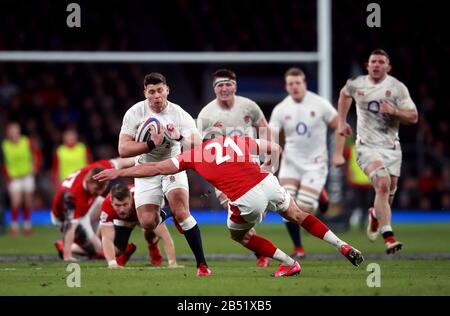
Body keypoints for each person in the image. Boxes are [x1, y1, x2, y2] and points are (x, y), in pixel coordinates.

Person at [94, 133, 364, 277]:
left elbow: (154, 168)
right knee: (298, 214)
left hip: (247, 198)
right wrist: (266, 170)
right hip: (267, 181)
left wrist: (119, 172)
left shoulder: (192, 155)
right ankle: (343, 245)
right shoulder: (235, 140)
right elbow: (275, 148)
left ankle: (289, 262)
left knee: (238, 234)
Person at [118, 72, 211, 276]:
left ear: (167, 90)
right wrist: (151, 144)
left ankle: (202, 265)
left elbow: (197, 144)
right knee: (147, 222)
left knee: (183, 213)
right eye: (152, 92)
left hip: (172, 166)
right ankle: (163, 223)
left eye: (160, 90)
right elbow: (123, 149)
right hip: (146, 168)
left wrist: (179, 136)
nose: (157, 96)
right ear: (145, 93)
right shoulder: (134, 112)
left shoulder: (179, 114)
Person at [332, 49, 418, 254]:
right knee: (382, 184)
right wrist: (342, 121)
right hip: (366, 147)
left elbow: (413, 117)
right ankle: (389, 237)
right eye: (373, 61)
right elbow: (344, 94)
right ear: (367, 65)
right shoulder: (357, 84)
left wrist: (395, 111)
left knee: (388, 192)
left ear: (388, 67)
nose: (377, 64)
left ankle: (375, 215)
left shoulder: (397, 88)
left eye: (381, 62)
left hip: (392, 148)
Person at [197, 68, 273, 268]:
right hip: (224, 171)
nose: (224, 88)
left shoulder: (249, 106)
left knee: (255, 213)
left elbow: (265, 130)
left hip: (250, 166)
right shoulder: (206, 114)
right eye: (220, 85)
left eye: (228, 84)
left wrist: (269, 162)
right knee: (236, 211)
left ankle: (262, 250)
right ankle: (262, 253)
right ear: (214, 89)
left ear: (235, 86)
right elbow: (200, 148)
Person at [269, 67, 338, 259]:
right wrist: (270, 162)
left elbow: (338, 124)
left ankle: (320, 196)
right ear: (286, 86)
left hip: (315, 164)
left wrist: (338, 151)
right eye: (290, 83)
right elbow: (271, 135)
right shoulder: (281, 109)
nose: (294, 86)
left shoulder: (320, 103)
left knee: (305, 209)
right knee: (286, 207)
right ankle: (298, 247)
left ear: (304, 83)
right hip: (291, 162)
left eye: (297, 82)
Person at [51, 157, 147, 261]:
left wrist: (144, 157)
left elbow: (123, 161)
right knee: (101, 251)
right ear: (89, 182)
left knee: (108, 203)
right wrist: (67, 256)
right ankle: (65, 247)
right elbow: (70, 226)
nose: (100, 192)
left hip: (85, 208)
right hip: (63, 218)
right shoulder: (72, 196)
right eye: (97, 188)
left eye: (103, 187)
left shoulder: (102, 168)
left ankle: (100, 239)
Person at [99, 183, 181, 269]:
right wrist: (112, 263)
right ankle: (127, 250)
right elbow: (106, 238)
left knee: (149, 229)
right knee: (116, 251)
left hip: (142, 212)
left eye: (125, 204)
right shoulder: (106, 206)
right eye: (117, 205)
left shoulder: (144, 200)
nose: (122, 210)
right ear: (111, 202)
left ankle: (152, 244)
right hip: (124, 221)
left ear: (131, 199)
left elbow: (165, 236)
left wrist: (172, 262)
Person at [1, 122, 41, 236]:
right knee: (15, 202)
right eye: (11, 131)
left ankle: (27, 226)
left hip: (27, 175)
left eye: (15, 130)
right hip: (13, 178)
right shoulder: (5, 145)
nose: (13, 133)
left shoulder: (26, 141)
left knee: (28, 202)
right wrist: (7, 177)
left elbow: (36, 154)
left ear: (19, 131)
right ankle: (14, 227)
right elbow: (3, 163)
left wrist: (35, 167)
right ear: (8, 133)